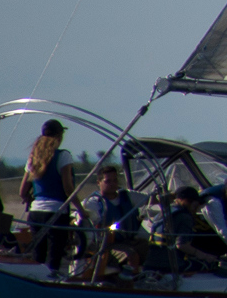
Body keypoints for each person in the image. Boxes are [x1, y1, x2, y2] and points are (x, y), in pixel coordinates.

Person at [18, 119, 74, 268]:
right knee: (54, 255)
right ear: (59, 136)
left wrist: (30, 200)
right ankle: (51, 278)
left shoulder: (33, 158)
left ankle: (35, 278)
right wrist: (81, 210)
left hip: (35, 212)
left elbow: (22, 192)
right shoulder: (63, 156)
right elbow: (68, 189)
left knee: (38, 255)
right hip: (56, 211)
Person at [78, 166, 145, 282]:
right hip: (106, 244)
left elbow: (152, 199)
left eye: (115, 180)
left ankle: (147, 277)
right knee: (132, 254)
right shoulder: (93, 203)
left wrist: (171, 197)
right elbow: (82, 220)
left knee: (150, 247)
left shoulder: (128, 196)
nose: (113, 184)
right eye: (108, 181)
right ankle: (131, 283)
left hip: (128, 240)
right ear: (98, 183)